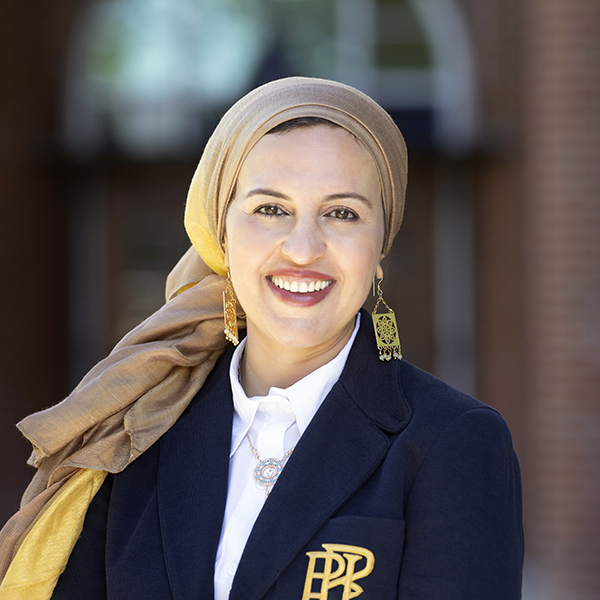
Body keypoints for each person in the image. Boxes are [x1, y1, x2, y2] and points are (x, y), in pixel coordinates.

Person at [0, 77, 523, 600]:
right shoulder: (136, 428)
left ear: (381, 245)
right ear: (222, 235)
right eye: (271, 209)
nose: (303, 249)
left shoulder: (457, 442)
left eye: (342, 213)